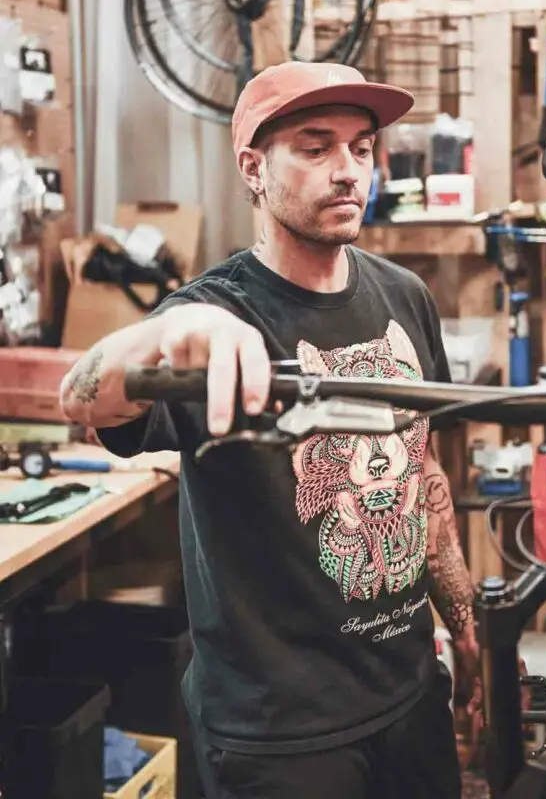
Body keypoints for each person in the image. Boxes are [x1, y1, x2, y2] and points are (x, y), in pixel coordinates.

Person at [60, 61, 482, 799]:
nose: (348, 171)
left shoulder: (404, 296)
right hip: (280, 735)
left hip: (411, 694)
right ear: (253, 169)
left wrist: (466, 625)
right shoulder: (212, 318)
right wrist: (176, 323)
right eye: (315, 148)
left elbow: (423, 473)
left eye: (361, 147)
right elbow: (83, 399)